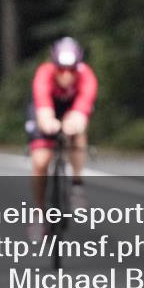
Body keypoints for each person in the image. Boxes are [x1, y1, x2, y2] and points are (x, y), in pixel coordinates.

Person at [26, 36, 98, 238]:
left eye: (71, 70)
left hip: (71, 109)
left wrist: (72, 124)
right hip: (46, 108)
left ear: (78, 66)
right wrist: (48, 122)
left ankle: (76, 186)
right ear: (54, 65)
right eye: (61, 69)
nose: (66, 75)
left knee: (77, 133)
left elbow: (82, 110)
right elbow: (43, 111)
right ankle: (39, 213)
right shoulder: (44, 73)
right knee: (40, 161)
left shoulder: (87, 76)